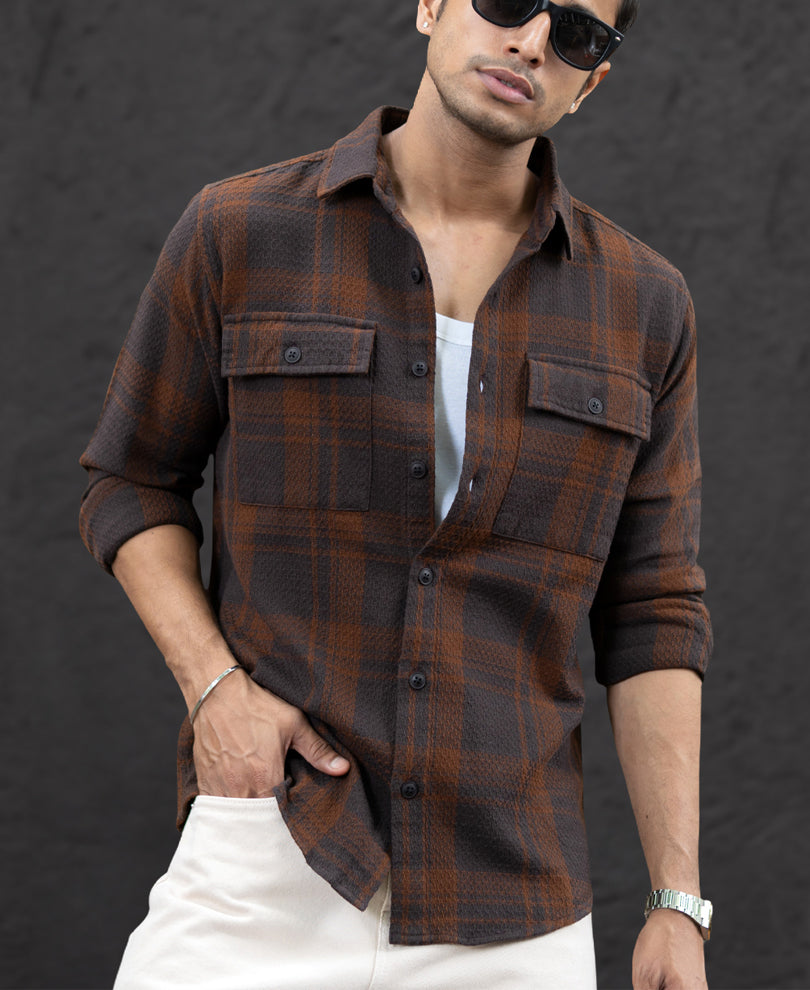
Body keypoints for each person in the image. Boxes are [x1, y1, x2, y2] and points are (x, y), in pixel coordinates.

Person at [79, 1, 714, 987]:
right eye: (506, 0)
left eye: (579, 36)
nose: (531, 42)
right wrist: (214, 690)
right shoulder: (241, 232)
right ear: (430, 5)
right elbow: (132, 480)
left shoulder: (644, 305)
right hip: (269, 853)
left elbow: (654, 610)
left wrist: (677, 901)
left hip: (514, 910)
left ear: (591, 83)